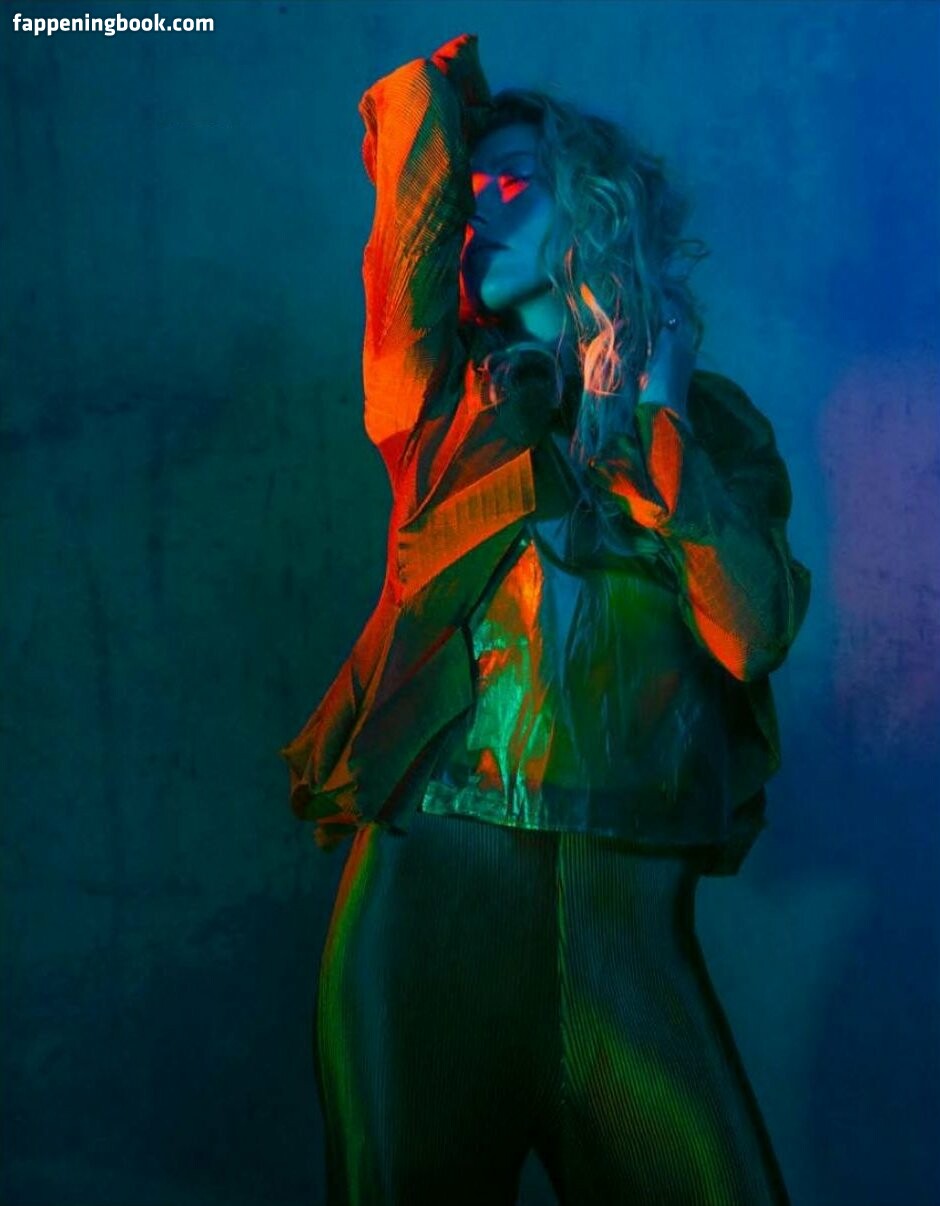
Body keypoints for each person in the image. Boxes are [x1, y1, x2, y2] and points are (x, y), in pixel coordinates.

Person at [280, 32, 810, 1206]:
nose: (477, 204)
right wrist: (452, 100)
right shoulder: (437, 396)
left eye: (513, 181)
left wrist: (660, 428)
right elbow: (410, 218)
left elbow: (751, 635)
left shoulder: (718, 428)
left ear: (593, 209)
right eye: (468, 184)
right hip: (432, 896)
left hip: (631, 930)